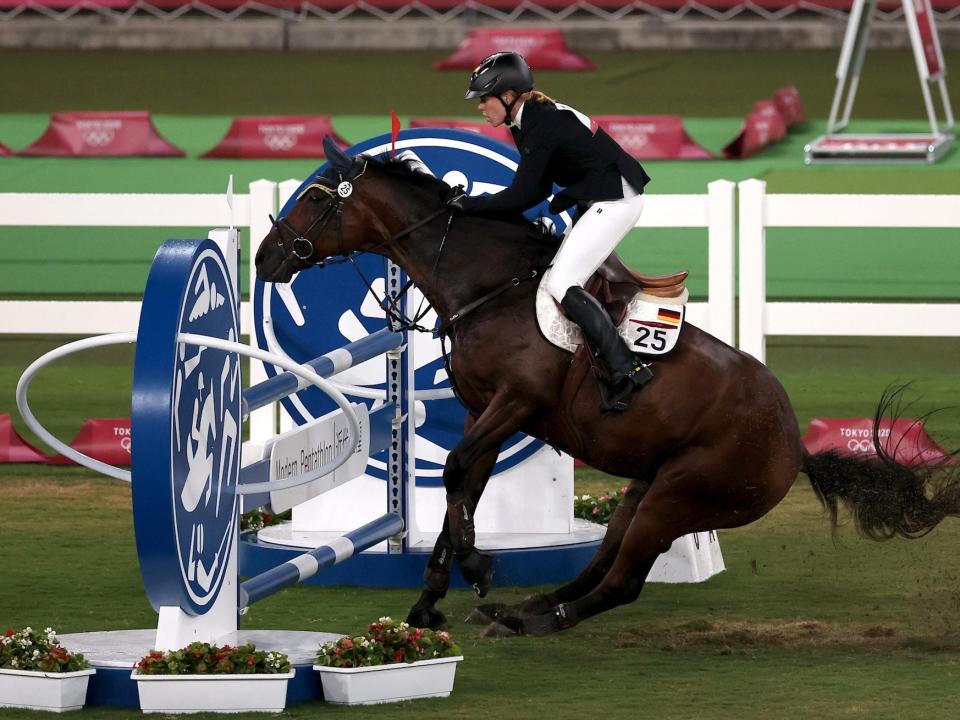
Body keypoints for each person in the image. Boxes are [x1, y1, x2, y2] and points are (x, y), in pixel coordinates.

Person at [448, 51, 653, 410]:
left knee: (561, 283)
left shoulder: (540, 123)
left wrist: (468, 205)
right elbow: (538, 189)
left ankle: (627, 368)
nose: (481, 107)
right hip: (601, 196)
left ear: (508, 96)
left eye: (485, 98)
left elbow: (523, 195)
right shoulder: (527, 120)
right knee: (555, 274)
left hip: (616, 200)